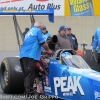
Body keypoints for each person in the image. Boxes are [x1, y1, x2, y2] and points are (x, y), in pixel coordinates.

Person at [19, 22, 52, 97]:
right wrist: (49, 50)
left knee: (27, 75)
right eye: (42, 28)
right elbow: (43, 43)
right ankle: (29, 93)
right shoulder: (37, 31)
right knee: (30, 74)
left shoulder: (29, 32)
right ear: (39, 26)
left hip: (23, 55)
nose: (42, 29)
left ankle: (27, 92)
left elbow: (33, 45)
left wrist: (43, 51)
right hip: (29, 56)